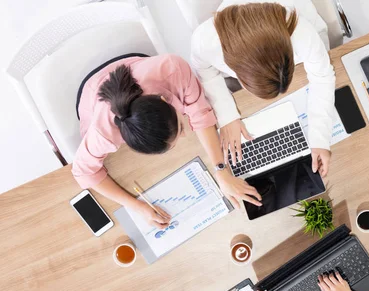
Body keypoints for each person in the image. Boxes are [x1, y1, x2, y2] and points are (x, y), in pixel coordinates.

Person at [73, 54, 261, 228]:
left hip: (142, 68)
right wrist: (137, 206)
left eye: (180, 127)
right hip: (93, 94)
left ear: (165, 100)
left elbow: (200, 115)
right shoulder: (102, 131)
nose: (186, 134)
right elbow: (82, 172)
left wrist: (221, 170)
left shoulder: (174, 68)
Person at [191, 0, 335, 177]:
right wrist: (227, 116)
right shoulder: (206, 41)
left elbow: (322, 76)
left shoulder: (300, 30)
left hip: (307, 42)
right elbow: (204, 71)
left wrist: (320, 139)